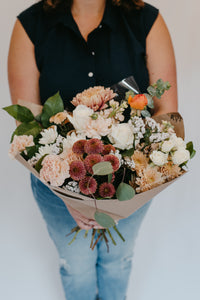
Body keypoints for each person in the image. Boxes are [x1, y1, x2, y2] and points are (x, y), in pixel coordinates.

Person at [8, 0, 178, 299]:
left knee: (118, 259)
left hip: (135, 181)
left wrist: (130, 192)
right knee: (76, 265)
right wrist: (70, 195)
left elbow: (167, 113)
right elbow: (29, 123)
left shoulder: (146, 21)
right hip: (55, 183)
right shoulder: (30, 25)